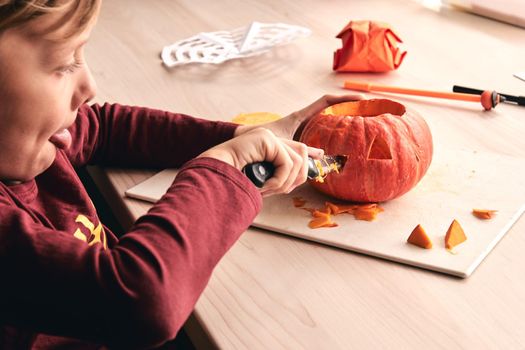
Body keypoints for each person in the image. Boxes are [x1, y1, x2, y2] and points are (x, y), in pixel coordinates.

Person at [0, 0, 361, 349]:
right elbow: (141, 300)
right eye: (64, 64)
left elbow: (104, 127)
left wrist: (236, 137)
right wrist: (222, 170)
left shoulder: (31, 143)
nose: (89, 87)